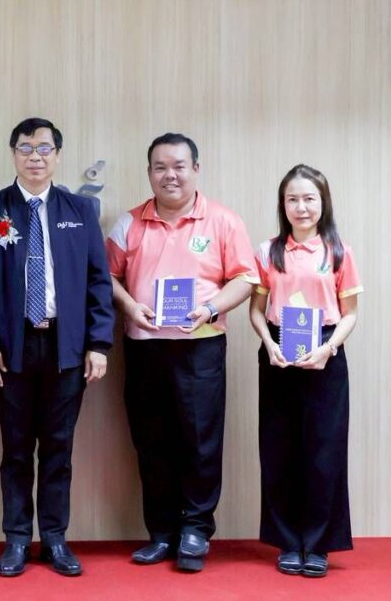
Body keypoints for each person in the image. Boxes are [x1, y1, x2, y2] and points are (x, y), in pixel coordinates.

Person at [0, 117, 114, 577]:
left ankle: (56, 538)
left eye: (44, 148)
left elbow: (98, 282)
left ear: (57, 156)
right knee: (16, 449)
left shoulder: (80, 210)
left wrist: (99, 343)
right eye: (26, 148)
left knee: (59, 448)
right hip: (10, 351)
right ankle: (17, 539)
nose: (35, 157)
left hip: (67, 348)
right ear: (13, 154)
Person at [106, 133, 258, 572]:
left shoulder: (223, 221)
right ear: (149, 172)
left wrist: (211, 308)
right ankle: (161, 533)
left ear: (195, 169)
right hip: (145, 347)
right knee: (151, 442)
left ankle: (195, 530)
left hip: (200, 347)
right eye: (160, 167)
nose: (169, 175)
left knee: (200, 441)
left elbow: (245, 279)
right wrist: (130, 306)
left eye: (178, 166)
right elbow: (106, 277)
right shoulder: (128, 223)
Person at [249, 164, 361, 578]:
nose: (301, 207)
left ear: (323, 202)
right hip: (279, 349)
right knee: (279, 449)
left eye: (309, 198)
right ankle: (287, 542)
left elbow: (350, 314)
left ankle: (317, 545)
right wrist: (269, 344)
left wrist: (329, 348)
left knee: (323, 451)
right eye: (292, 199)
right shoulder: (268, 251)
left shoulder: (338, 251)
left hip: (325, 351)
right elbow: (256, 311)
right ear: (283, 205)